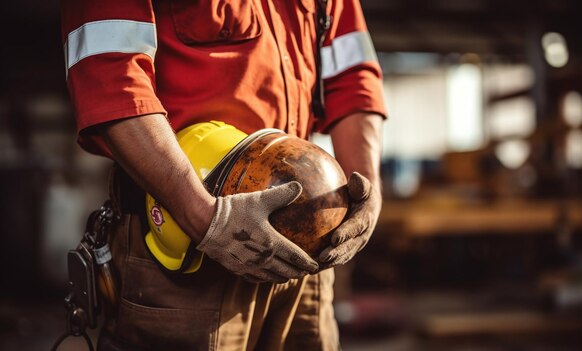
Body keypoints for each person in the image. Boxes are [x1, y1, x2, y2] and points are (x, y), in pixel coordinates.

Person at [61, 0, 386, 349]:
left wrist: (367, 190)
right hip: (185, 252)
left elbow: (353, 76)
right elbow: (110, 74)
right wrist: (205, 219)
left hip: (306, 257)